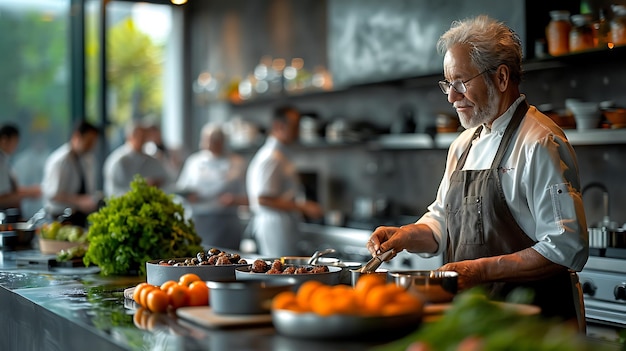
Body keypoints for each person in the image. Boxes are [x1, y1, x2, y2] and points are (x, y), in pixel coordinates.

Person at [367, 16, 588, 327]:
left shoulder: (539, 142)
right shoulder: (463, 144)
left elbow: (566, 247)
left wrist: (481, 271)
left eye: (461, 82)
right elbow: (442, 222)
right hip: (474, 321)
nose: (451, 96)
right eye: (447, 83)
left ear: (500, 78)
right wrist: (405, 236)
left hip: (534, 326)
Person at [246, 106, 323, 257]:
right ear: (278, 126)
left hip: (281, 223)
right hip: (275, 225)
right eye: (294, 126)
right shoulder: (271, 157)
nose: (298, 132)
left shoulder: (280, 155)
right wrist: (303, 207)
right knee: (280, 272)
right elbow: (262, 199)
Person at [176, 123, 247, 250]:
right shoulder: (194, 162)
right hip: (199, 220)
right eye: (207, 140)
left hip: (226, 222)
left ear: (223, 142)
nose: (210, 144)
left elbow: (249, 195)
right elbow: (181, 189)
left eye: (215, 140)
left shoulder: (237, 162)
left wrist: (235, 199)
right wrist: (188, 196)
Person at [41, 120, 100, 226]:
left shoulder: (88, 159)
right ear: (77, 136)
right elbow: (52, 194)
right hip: (59, 218)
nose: (91, 146)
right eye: (89, 141)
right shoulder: (59, 161)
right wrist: (79, 201)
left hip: (80, 217)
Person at [103, 120, 172, 198]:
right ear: (130, 137)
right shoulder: (118, 161)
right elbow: (113, 192)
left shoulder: (153, 160)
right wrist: (141, 188)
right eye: (139, 136)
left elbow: (167, 181)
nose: (143, 139)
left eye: (145, 136)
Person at [0, 123, 41, 216]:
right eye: (15, 141)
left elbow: (9, 190)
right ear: (4, 140)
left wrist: (30, 191)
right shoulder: (1, 163)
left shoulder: (5, 161)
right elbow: (3, 198)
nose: (16, 146)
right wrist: (28, 194)